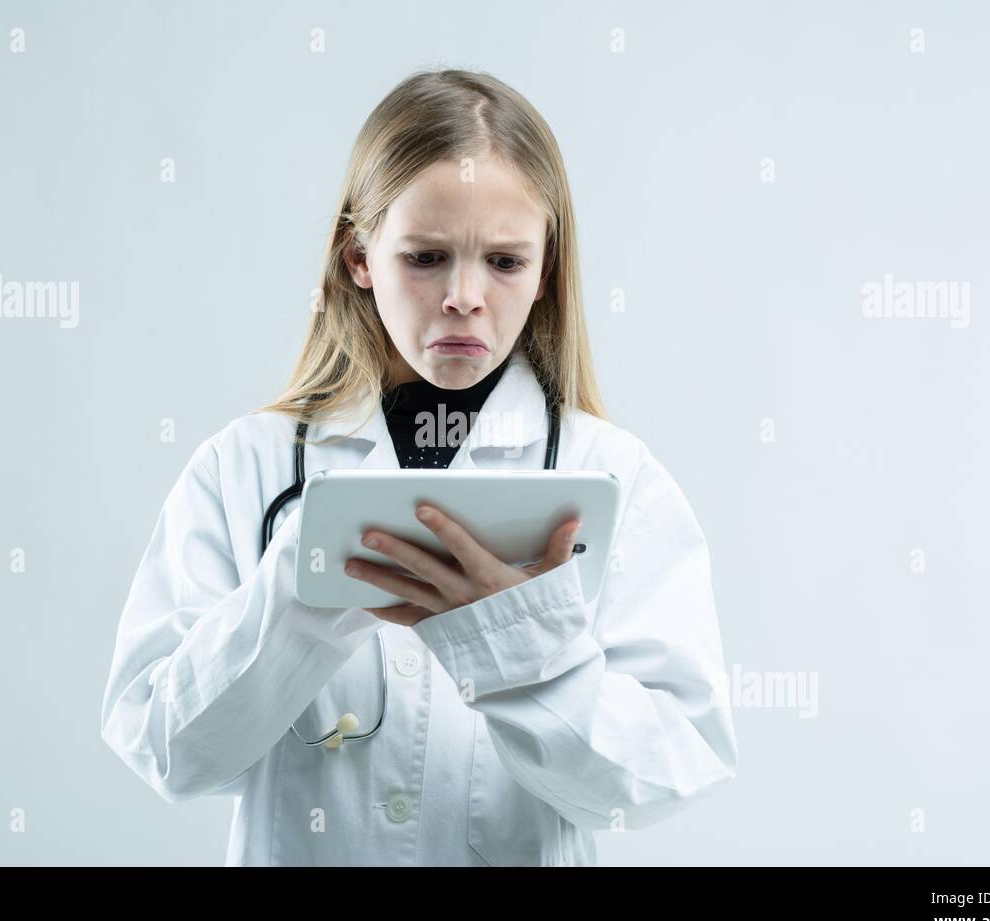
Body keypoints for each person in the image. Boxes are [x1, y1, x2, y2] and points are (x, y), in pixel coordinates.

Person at [100, 68, 738, 866]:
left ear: (546, 272)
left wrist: (518, 646)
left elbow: (666, 772)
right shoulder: (245, 467)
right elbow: (169, 754)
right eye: (427, 256)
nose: (464, 296)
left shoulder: (615, 476)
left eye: (504, 261)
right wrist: (305, 582)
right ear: (359, 258)